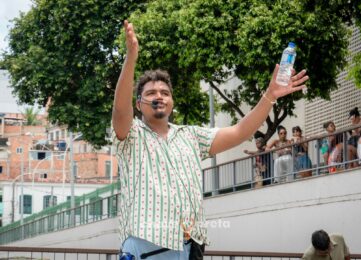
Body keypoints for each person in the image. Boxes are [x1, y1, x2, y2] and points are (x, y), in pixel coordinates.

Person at [112, 20, 308, 259]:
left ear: (172, 102)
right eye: (151, 93)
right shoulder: (131, 135)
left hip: (190, 247)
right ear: (139, 103)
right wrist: (131, 57)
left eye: (165, 93)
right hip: (146, 248)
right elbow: (120, 111)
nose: (159, 97)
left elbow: (239, 132)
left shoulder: (191, 136)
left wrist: (270, 95)